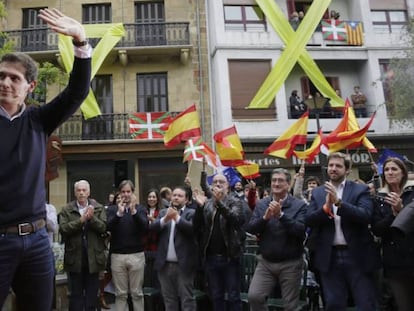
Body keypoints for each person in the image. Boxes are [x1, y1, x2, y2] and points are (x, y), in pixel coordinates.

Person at [0, 8, 91, 310]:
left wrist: (80, 40)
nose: (5, 83)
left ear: (30, 87)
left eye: (13, 78)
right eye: (0, 76)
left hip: (37, 242)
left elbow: (77, 92)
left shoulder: (39, 121)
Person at [305, 152, 379, 311]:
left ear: (347, 170)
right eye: (331, 165)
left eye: (338, 166)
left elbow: (365, 215)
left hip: (357, 255)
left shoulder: (360, 189)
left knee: (366, 303)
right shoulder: (318, 192)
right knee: (333, 304)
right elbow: (309, 220)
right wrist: (325, 209)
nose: (333, 169)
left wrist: (339, 203)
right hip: (329, 256)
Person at [245, 168, 307, 311]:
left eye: (280, 180)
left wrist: (281, 216)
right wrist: (265, 219)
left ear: (288, 184)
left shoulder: (299, 205)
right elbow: (251, 228)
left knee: (290, 306)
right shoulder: (262, 204)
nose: (276, 184)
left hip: (290, 263)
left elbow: (300, 231)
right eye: (274, 180)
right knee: (254, 297)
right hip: (266, 262)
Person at [193, 173, 245, 311]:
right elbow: (196, 226)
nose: (217, 184)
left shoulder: (235, 201)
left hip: (229, 258)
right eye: (215, 182)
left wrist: (219, 203)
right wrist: (199, 207)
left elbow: (236, 219)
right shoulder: (208, 204)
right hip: (211, 258)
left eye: (221, 182)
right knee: (216, 296)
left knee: (233, 296)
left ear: (227, 185)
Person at [372, 157, 414, 311]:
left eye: (394, 169)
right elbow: (377, 229)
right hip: (395, 263)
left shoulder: (411, 194)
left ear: (403, 173)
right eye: (387, 170)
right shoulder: (379, 199)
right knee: (404, 305)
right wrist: (393, 214)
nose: (390, 172)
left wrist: (402, 210)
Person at [59, 180, 107, 311]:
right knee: (76, 297)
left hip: (93, 259)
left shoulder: (98, 207)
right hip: (74, 259)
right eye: (78, 190)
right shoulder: (67, 209)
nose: (81, 193)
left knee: (92, 297)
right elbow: (63, 229)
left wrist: (92, 219)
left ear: (89, 192)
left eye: (84, 190)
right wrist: (81, 221)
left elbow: (103, 227)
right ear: (75, 193)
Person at [151, 186, 197, 311]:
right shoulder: (162, 212)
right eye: (174, 195)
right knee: (169, 299)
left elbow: (191, 230)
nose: (176, 197)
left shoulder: (191, 213)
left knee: (187, 299)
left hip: (183, 265)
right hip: (164, 265)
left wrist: (176, 218)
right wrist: (166, 218)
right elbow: (152, 228)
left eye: (180, 196)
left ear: (187, 200)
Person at [107, 180, 149, 311]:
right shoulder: (112, 209)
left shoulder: (140, 208)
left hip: (136, 255)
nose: (126, 194)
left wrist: (133, 211)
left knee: (137, 293)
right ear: (119, 193)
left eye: (128, 191)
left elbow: (145, 227)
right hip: (117, 256)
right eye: (123, 192)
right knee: (120, 294)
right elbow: (107, 227)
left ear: (133, 192)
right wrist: (119, 214)